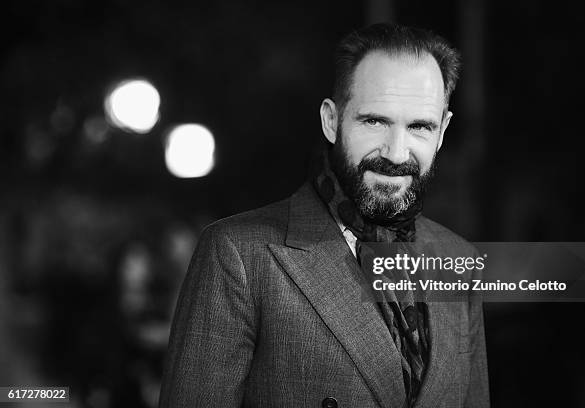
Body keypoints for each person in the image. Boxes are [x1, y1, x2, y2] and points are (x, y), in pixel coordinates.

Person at [159, 23, 489, 408]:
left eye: (419, 126)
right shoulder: (239, 255)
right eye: (375, 121)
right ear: (332, 120)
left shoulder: (458, 262)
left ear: (442, 131)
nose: (397, 153)